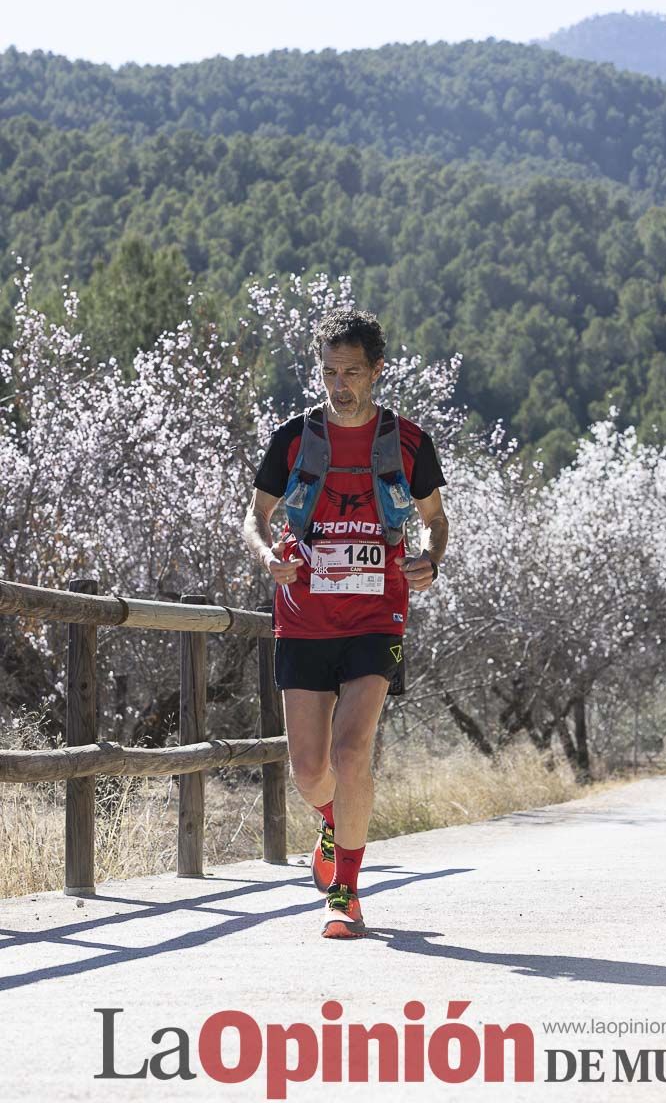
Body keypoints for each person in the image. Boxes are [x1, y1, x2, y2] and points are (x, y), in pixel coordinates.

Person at [243, 308, 449, 938]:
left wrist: (430, 561)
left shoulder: (408, 441)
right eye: (329, 371)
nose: (339, 384)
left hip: (376, 615)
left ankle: (345, 894)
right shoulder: (294, 438)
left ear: (376, 371)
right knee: (309, 771)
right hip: (304, 617)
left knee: (352, 750)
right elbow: (255, 517)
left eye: (352, 372)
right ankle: (336, 820)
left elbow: (436, 521)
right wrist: (266, 555)